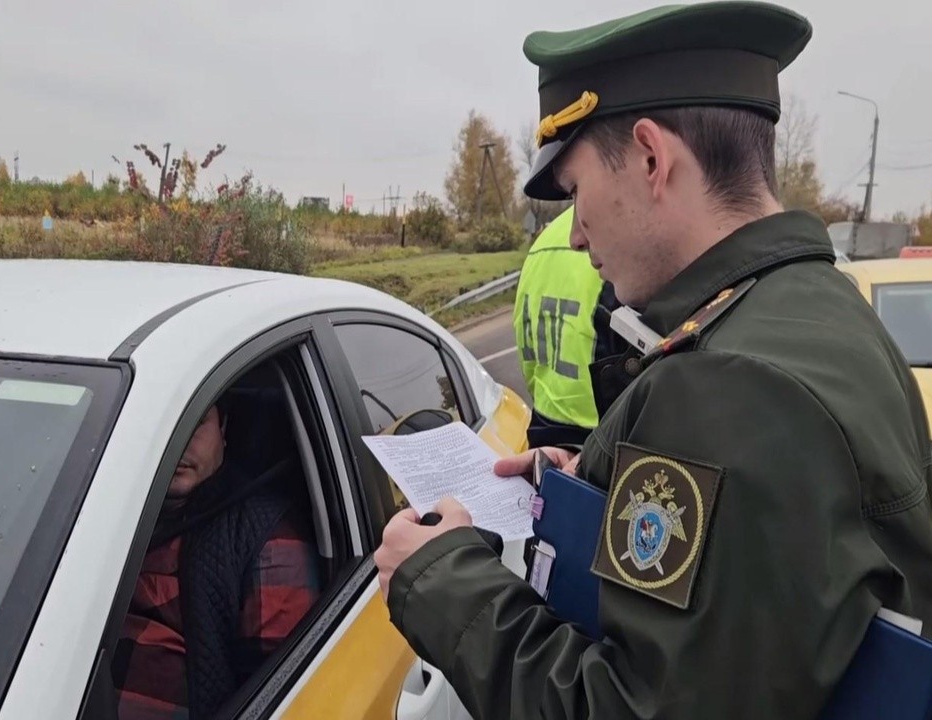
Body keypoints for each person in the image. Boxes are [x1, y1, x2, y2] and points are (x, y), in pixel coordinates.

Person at [373, 2, 932, 718]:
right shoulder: (814, 307)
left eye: (575, 192)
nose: (576, 234)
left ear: (649, 158)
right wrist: (598, 488)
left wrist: (442, 583)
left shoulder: (729, 387)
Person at [114, 402, 320, 720]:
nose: (180, 440)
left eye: (196, 421)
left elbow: (283, 693)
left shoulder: (264, 536)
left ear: (223, 430)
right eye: (165, 422)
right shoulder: (99, 511)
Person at [514, 205, 627, 448]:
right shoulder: (614, 230)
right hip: (603, 437)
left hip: (544, 427)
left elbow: (526, 346)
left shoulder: (544, 241)